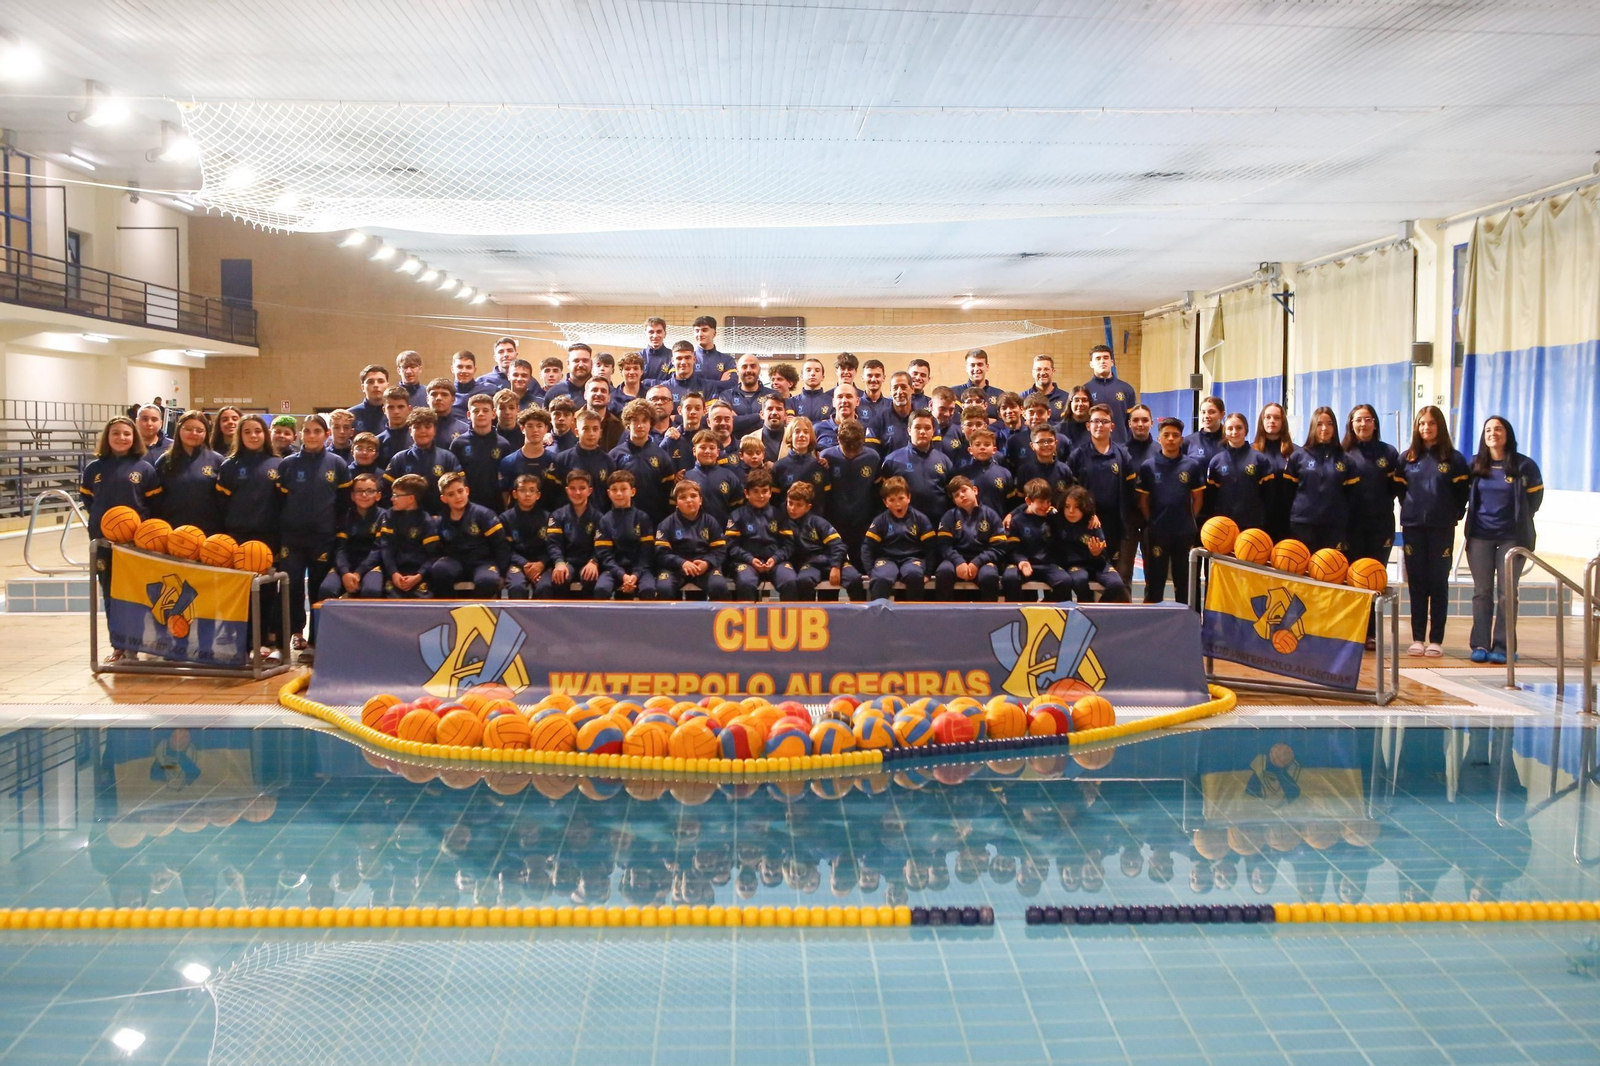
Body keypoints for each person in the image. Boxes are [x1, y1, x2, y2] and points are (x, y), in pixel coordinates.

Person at [1464, 416, 1543, 664]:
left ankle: (1503, 645)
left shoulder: (1524, 466)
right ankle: (1480, 644)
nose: (1493, 433)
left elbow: (1534, 500)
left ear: (1507, 433)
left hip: (1512, 537)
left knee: (1507, 593)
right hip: (1480, 536)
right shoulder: (1476, 464)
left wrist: (1518, 520)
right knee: (1482, 592)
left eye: (1498, 429)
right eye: (1488, 429)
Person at [1396, 406, 1470, 657]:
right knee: (1416, 583)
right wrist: (1413, 511)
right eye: (1422, 424)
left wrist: (1451, 515)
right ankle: (1417, 638)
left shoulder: (1454, 459)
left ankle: (1436, 639)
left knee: (1438, 583)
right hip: (1414, 528)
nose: (1426, 428)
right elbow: (1400, 492)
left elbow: (1462, 495)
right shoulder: (1407, 458)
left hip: (1441, 529)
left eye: (1431, 423)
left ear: (1440, 426)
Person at [276, 413, 351, 653]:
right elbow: (280, 501)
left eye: (317, 431)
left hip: (323, 537)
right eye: (306, 431)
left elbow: (343, 503)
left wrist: (337, 531)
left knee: (318, 588)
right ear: (300, 435)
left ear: (326, 435)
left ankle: (317, 639)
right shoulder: (288, 464)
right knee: (292, 586)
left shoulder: (337, 464)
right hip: (293, 538)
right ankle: (295, 634)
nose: (311, 436)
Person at [81, 416, 159, 631]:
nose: (121, 438)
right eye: (116, 433)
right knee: (110, 593)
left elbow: (154, 504)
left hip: (136, 543)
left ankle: (137, 641)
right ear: (107, 437)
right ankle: (118, 645)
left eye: (127, 433)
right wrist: (105, 523)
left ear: (134, 437)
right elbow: (88, 499)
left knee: (138, 592)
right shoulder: (93, 469)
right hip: (103, 542)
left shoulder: (145, 468)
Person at [1342, 403, 1402, 648]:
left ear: (1375, 423)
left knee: (1373, 580)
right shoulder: (1343, 453)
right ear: (1351, 423)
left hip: (1380, 525)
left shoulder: (1388, 453)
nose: (1363, 424)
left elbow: (1396, 489)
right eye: (1358, 420)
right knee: (1352, 580)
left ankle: (1371, 633)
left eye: (1367, 419)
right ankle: (1352, 631)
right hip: (1350, 526)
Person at [1137, 417, 1204, 604]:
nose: (1171, 439)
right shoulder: (1148, 467)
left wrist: (1189, 518)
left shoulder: (1192, 465)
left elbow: (1198, 498)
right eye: (1166, 435)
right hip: (1158, 532)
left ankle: (1188, 621)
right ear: (1159, 439)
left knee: (1184, 580)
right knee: (1155, 579)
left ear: (1181, 439)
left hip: (1184, 532)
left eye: (1175, 435)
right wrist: (1153, 522)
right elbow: (1143, 500)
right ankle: (1152, 623)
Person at [1069, 405, 1135, 569]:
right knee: (1087, 573)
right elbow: (1071, 491)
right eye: (1095, 421)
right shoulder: (1077, 455)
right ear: (1088, 425)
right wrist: (1088, 513)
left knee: (1112, 573)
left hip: (1115, 525)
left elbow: (1129, 491)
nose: (1099, 425)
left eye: (1104, 421)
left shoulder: (1122, 455)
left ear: (1112, 426)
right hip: (1085, 522)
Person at [1284, 405, 1357, 552]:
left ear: (1335, 427)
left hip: (1334, 526)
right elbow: (1287, 493)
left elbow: (1351, 496)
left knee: (1330, 571)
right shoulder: (1298, 456)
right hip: (1302, 524)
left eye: (1329, 424)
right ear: (1312, 427)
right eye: (1319, 424)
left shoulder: (1346, 460)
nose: (1325, 428)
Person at [428, 471, 508, 599]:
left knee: (488, 581)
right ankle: (450, 612)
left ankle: (474, 614)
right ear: (444, 498)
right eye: (451, 494)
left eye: (460, 491)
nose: (458, 497)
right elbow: (435, 549)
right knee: (439, 570)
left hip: (482, 562)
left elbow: (500, 545)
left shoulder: (484, 514)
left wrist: (503, 573)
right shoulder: (440, 520)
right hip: (455, 561)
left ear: (467, 491)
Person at [216, 415, 282, 560]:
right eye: (247, 432)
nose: (253, 436)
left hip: (269, 537)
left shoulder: (279, 464)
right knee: (239, 582)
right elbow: (221, 505)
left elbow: (283, 503)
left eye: (258, 431)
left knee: (267, 582)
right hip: (237, 536)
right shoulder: (229, 466)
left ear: (266, 434)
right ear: (240, 435)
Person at [861, 476, 934, 601]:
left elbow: (931, 547)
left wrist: (927, 573)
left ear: (909, 498)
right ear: (885, 502)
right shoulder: (880, 520)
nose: (898, 504)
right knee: (881, 578)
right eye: (892, 500)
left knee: (914, 575)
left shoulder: (921, 519)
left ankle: (913, 616)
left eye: (901, 498)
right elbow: (867, 547)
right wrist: (870, 571)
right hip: (887, 559)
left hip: (912, 559)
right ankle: (878, 617)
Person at [654, 480, 730, 600]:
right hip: (675, 568)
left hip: (704, 567)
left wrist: (707, 562)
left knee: (719, 586)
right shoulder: (666, 524)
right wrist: (682, 563)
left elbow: (720, 550)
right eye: (683, 497)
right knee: (664, 588)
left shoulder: (711, 522)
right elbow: (661, 553)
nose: (689, 500)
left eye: (693, 496)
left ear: (700, 500)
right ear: (676, 503)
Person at [774, 482, 850, 601]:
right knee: (804, 580)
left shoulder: (818, 522)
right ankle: (807, 616)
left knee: (854, 578)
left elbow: (838, 545)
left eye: (799, 505)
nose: (793, 508)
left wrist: (835, 566)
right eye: (790, 503)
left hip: (830, 562)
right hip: (808, 565)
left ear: (808, 507)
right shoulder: (782, 523)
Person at [149, 410, 221, 534]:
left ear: (207, 433)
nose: (194, 433)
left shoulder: (217, 460)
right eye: (188, 428)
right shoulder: (165, 461)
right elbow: (156, 500)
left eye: (200, 430)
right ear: (179, 429)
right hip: (172, 530)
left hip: (208, 532)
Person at [933, 476, 1005, 601]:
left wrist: (976, 562)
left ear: (975, 490)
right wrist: (958, 561)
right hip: (955, 559)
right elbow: (944, 546)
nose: (961, 495)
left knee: (989, 576)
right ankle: (945, 617)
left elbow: (999, 547)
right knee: (943, 572)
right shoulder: (949, 516)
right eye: (956, 495)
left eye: (964, 490)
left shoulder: (991, 515)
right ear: (954, 501)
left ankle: (988, 618)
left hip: (982, 559)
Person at [821, 419, 881, 569]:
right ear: (838, 440)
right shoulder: (826, 457)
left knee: (861, 569)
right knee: (831, 570)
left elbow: (877, 492)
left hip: (863, 521)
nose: (851, 454)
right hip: (834, 522)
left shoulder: (873, 458)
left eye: (856, 450)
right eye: (847, 450)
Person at [1001, 478, 1072, 602]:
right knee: (1009, 578)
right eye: (1041, 502)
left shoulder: (1053, 518)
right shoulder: (1017, 520)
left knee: (1065, 581)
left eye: (1048, 501)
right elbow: (1013, 549)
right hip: (1023, 563)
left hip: (1047, 564)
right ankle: (1020, 613)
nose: (1045, 506)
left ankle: (1042, 611)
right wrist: (1022, 562)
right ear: (1028, 501)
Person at [318, 472, 385, 601]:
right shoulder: (344, 517)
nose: (364, 495)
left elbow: (378, 551)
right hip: (346, 566)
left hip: (371, 565)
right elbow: (340, 548)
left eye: (370, 491)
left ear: (378, 496)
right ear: (352, 496)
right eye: (359, 491)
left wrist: (358, 573)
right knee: (326, 589)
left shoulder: (384, 517)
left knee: (371, 590)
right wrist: (345, 573)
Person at [608, 399, 676, 524]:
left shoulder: (662, 456)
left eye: (644, 421)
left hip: (655, 519)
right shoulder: (614, 455)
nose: (640, 425)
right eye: (635, 420)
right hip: (621, 520)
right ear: (628, 424)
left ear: (651, 424)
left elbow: (667, 492)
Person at [1205, 412, 1273, 535]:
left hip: (1253, 523)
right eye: (1230, 428)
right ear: (1225, 431)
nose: (1234, 432)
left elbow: (1268, 495)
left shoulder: (1260, 459)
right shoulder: (1216, 461)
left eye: (1239, 428)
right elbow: (1211, 497)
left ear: (1246, 430)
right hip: (1223, 525)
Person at [593, 470, 657, 600]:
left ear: (632, 492)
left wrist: (635, 575)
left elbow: (646, 553)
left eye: (623, 489)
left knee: (648, 589)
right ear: (608, 493)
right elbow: (605, 556)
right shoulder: (605, 521)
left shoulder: (642, 518)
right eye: (614, 489)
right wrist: (622, 575)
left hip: (640, 570)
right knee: (601, 589)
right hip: (613, 570)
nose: (619, 493)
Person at [881, 410, 953, 524]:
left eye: (927, 428)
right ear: (909, 430)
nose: (922, 432)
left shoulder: (944, 461)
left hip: (938, 525)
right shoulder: (892, 461)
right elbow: (884, 498)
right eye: (917, 427)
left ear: (933, 431)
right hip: (904, 528)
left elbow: (952, 498)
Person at [384, 410, 461, 515]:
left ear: (435, 430)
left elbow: (458, 490)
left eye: (428, 427)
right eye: (417, 427)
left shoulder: (447, 458)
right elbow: (386, 492)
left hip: (441, 519)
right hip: (406, 518)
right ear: (410, 431)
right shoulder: (399, 459)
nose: (423, 431)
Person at [1058, 485, 1127, 603]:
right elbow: (1031, 506)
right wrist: (1013, 514)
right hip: (1076, 565)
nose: (1071, 511)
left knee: (1116, 584)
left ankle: (1096, 612)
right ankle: (1086, 611)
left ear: (1084, 507)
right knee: (1080, 580)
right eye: (1067, 506)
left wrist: (1096, 554)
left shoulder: (1093, 524)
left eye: (1076, 507)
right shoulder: (1057, 519)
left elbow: (1103, 559)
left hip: (1098, 564)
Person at [540, 469, 602, 598]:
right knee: (560, 577)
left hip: (588, 562)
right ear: (567, 490)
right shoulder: (557, 515)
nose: (577, 492)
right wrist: (558, 562)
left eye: (582, 488)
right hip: (567, 562)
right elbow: (553, 544)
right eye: (573, 488)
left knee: (590, 577)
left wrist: (594, 562)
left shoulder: (598, 517)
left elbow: (601, 546)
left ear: (589, 491)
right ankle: (562, 617)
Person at [726, 469, 786, 601]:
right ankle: (745, 621)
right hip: (746, 562)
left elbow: (788, 545)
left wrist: (775, 558)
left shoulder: (780, 515)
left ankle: (789, 621)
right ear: (746, 493)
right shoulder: (737, 515)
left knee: (790, 581)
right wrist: (750, 559)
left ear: (770, 492)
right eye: (755, 492)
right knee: (746, 583)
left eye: (765, 491)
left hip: (774, 562)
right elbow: (732, 546)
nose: (761, 496)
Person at [376, 474, 439, 598]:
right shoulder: (389, 516)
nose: (392, 499)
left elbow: (433, 555)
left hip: (419, 575)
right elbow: (386, 548)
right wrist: (393, 573)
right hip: (394, 573)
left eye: (396, 495)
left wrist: (419, 575)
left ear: (411, 499)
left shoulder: (426, 521)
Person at [1118, 404, 1157, 588]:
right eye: (1136, 420)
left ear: (1151, 423)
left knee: (1154, 570)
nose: (1140, 424)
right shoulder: (1120, 451)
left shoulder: (1160, 451)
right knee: (1123, 570)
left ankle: (1153, 611)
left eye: (1144, 420)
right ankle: (1125, 612)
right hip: (1128, 519)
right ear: (1129, 424)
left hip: (1153, 518)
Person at [450, 394, 511, 511]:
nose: (481, 414)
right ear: (468, 415)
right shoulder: (458, 443)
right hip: (466, 505)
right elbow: (453, 477)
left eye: (485, 410)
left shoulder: (503, 445)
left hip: (495, 505)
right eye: (476, 411)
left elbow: (506, 480)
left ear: (493, 414)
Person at [549, 410, 616, 507]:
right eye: (585, 428)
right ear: (576, 432)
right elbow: (553, 495)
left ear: (600, 433)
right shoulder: (562, 460)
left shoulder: (608, 461)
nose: (591, 433)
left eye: (595, 429)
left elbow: (611, 497)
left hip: (599, 518)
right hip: (569, 519)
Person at [500, 474, 550, 599]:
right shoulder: (505, 518)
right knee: (517, 587)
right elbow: (505, 549)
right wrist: (524, 564)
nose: (527, 494)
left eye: (532, 490)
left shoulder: (548, 518)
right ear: (515, 494)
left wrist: (542, 563)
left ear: (538, 495)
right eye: (522, 490)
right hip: (517, 563)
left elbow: (553, 546)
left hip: (542, 564)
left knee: (545, 587)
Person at [1252, 402, 1295, 541]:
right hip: (1258, 518)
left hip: (1288, 518)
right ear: (1261, 421)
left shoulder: (1296, 453)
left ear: (1283, 422)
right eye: (1268, 417)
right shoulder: (1250, 452)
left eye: (1277, 418)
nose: (1272, 421)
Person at [683, 429, 744, 526]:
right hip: (693, 535)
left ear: (718, 452)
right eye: (702, 447)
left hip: (724, 534)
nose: (707, 451)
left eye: (712, 448)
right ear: (694, 451)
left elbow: (738, 510)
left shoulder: (729, 476)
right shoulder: (685, 478)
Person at [1082, 343, 1137, 444]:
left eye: (1106, 358)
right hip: (1091, 448)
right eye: (1098, 358)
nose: (1102, 361)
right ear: (1091, 364)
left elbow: (1132, 422)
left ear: (1112, 362)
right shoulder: (1084, 391)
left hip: (1121, 446)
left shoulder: (1126, 389)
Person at [499, 408, 555, 504]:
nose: (535, 430)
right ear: (522, 429)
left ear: (546, 429)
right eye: (530, 426)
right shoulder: (509, 462)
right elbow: (504, 495)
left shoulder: (554, 460)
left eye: (539, 426)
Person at [955, 427, 1014, 516]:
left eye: (987, 444)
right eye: (978, 444)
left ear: (994, 450)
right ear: (970, 450)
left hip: (997, 524)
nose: (982, 447)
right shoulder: (962, 474)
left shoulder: (1004, 473)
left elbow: (1011, 504)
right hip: (968, 525)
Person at [722, 354, 775, 436]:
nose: (749, 370)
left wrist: (740, 421)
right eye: (744, 367)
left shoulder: (773, 395)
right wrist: (758, 416)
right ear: (738, 371)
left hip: (764, 445)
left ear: (759, 370)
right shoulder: (726, 396)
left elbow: (774, 423)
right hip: (736, 447)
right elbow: (728, 423)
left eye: (753, 366)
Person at [946, 348, 1004, 417]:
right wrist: (988, 421)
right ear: (966, 368)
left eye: (980, 364)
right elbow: (951, 419)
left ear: (987, 367)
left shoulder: (999, 395)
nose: (976, 369)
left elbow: (1003, 422)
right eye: (972, 365)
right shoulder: (953, 393)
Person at [1022, 354, 1071, 424]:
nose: (1042, 373)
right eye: (1038, 369)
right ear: (1033, 372)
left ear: (1053, 371)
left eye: (1046, 369)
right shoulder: (1022, 398)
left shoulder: (1066, 398)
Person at [425, 378, 469, 447]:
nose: (438, 398)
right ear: (427, 399)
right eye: (434, 394)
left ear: (453, 400)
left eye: (444, 395)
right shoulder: (417, 429)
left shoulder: (464, 430)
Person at [583, 378, 624, 450]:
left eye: (603, 391)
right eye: (594, 390)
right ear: (585, 395)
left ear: (609, 397)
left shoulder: (618, 426)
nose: (599, 394)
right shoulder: (573, 421)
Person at [348, 364, 389, 435]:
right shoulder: (350, 415)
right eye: (370, 382)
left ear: (387, 386)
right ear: (363, 387)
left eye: (381, 381)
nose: (376, 385)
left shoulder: (395, 413)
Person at [1185, 396, 1225, 467]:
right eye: (1203, 412)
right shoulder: (1189, 441)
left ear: (1222, 414)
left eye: (1212, 412)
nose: (1206, 416)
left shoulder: (1230, 441)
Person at [376, 385, 413, 465]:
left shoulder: (417, 437)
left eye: (400, 407)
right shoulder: (378, 442)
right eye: (391, 407)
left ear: (409, 409)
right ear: (384, 410)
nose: (396, 411)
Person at [691, 316, 735, 381]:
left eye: (704, 330)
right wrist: (720, 383)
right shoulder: (687, 359)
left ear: (714, 333)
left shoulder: (727, 360)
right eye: (697, 331)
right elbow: (684, 385)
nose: (700, 334)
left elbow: (731, 385)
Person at [347, 432, 385, 505]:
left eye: (370, 449)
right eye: (359, 448)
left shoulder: (382, 476)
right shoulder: (345, 473)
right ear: (352, 452)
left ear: (376, 454)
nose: (364, 452)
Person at [795, 357, 834, 424]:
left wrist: (801, 423)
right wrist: (821, 423)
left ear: (822, 377)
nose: (812, 373)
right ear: (801, 377)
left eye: (817, 370)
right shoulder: (792, 402)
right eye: (808, 370)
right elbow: (791, 425)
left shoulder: (832, 402)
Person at [637, 316, 673, 382]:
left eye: (659, 332)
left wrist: (646, 382)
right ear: (645, 334)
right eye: (651, 332)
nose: (655, 336)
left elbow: (673, 383)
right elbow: (634, 383)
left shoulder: (673, 356)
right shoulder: (637, 357)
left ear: (665, 334)